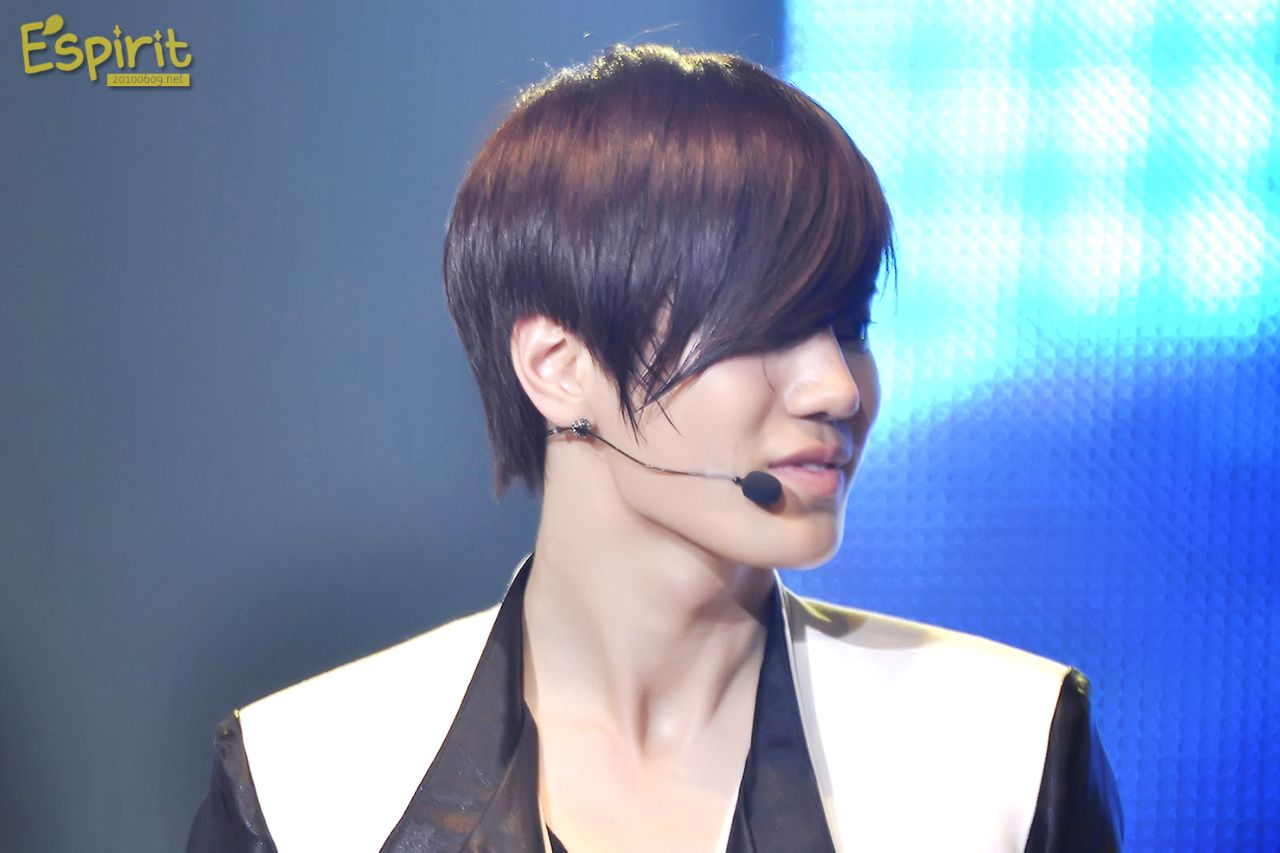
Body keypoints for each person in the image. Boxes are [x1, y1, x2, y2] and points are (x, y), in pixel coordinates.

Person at [187, 44, 1123, 852]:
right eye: (768, 325)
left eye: (850, 327)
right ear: (559, 366)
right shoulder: (309, 784)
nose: (838, 388)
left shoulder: (1007, 750)